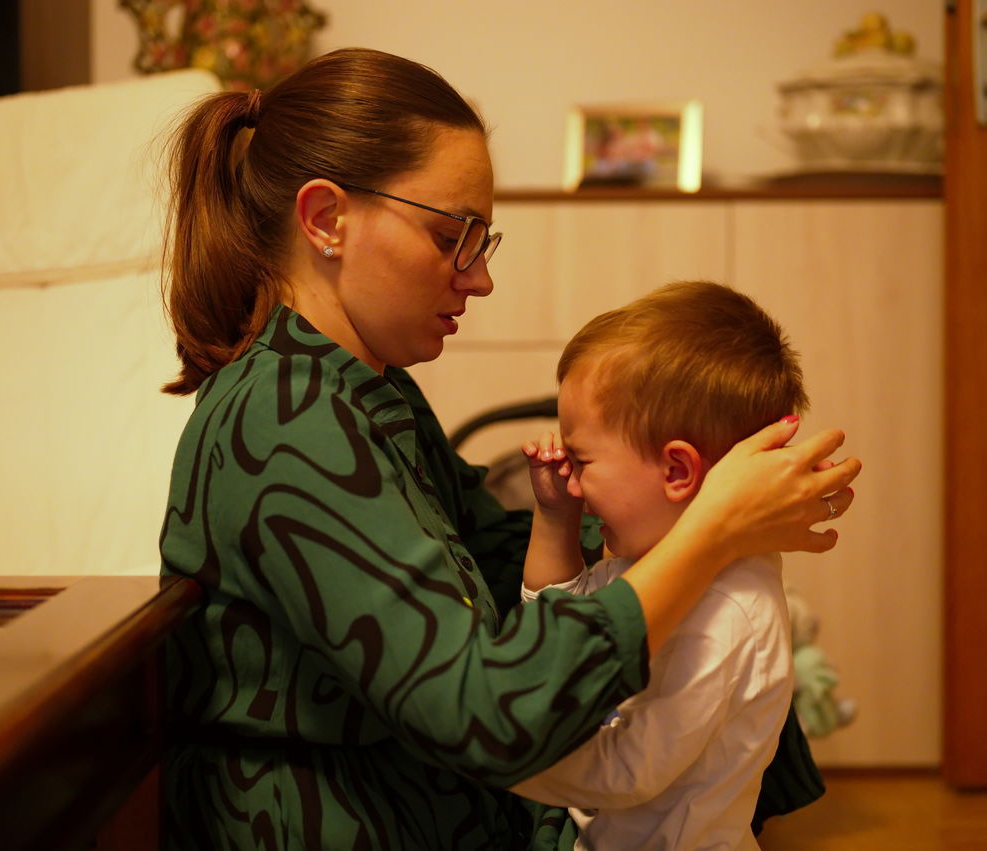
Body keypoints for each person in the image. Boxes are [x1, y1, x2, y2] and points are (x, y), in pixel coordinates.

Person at [157, 47, 859, 850]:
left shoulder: (362, 389)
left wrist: (696, 507)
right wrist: (712, 529)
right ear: (326, 220)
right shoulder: (286, 420)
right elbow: (482, 711)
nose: (479, 278)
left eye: (482, 241)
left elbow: (492, 558)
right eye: (453, 235)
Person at [511, 281, 817, 849]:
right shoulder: (649, 560)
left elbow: (629, 770)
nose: (572, 479)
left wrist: (495, 753)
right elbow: (557, 636)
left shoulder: (726, 609)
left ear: (677, 471)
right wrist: (555, 517)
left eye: (583, 461)